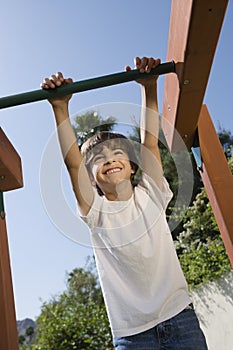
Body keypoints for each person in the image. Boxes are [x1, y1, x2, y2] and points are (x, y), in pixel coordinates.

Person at [41, 56, 208, 349]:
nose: (109, 159)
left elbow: (149, 142)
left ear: (133, 166)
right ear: (91, 179)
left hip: (180, 317)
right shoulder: (97, 212)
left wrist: (149, 88)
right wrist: (60, 107)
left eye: (117, 153)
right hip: (133, 335)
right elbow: (73, 164)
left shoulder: (152, 194)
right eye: (99, 159)